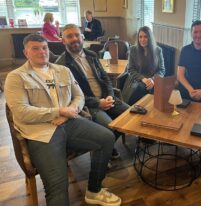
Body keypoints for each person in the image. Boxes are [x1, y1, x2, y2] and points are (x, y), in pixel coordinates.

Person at [4, 33, 121, 206]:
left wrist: (71, 110)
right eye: (35, 48)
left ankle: (94, 190)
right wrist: (58, 111)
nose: (41, 52)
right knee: (58, 187)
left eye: (44, 47)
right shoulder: (16, 77)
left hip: (70, 122)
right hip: (41, 133)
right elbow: (21, 112)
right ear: (26, 52)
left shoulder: (62, 71)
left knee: (107, 137)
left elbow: (79, 96)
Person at [56, 24, 129, 159]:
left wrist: (110, 96)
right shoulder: (61, 65)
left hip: (107, 98)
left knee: (130, 117)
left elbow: (106, 78)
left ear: (82, 37)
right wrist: (98, 102)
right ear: (63, 40)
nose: (74, 39)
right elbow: (71, 95)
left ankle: (108, 145)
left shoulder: (92, 55)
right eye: (69, 36)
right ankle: (105, 148)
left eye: (77, 35)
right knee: (109, 127)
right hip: (89, 105)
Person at [122, 26, 165, 105]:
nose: (142, 39)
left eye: (145, 37)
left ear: (150, 38)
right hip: (136, 80)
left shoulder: (158, 50)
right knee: (140, 88)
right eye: (140, 37)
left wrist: (152, 79)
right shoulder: (133, 49)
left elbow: (161, 70)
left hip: (153, 81)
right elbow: (130, 69)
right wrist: (143, 79)